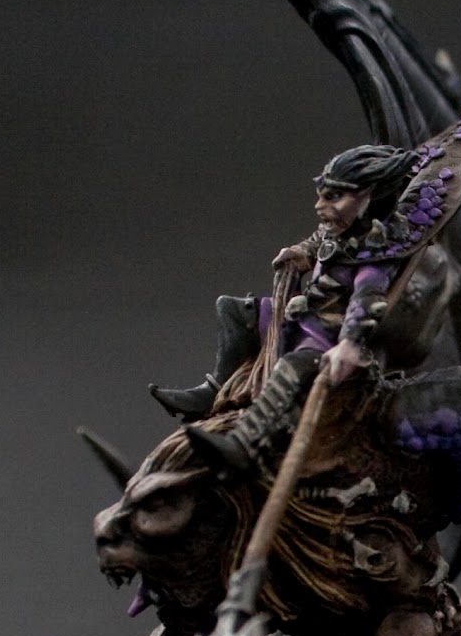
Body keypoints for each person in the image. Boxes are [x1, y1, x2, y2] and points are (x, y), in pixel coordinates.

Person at [157, 143, 417, 476]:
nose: (319, 206)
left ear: (371, 197)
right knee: (233, 310)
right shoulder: (338, 230)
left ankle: (244, 445)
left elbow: (366, 303)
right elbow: (317, 243)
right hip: (298, 318)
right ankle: (213, 391)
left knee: (290, 368)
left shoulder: (375, 258)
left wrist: (349, 344)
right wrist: (301, 253)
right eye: (322, 195)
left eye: (333, 197)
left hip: (324, 340)